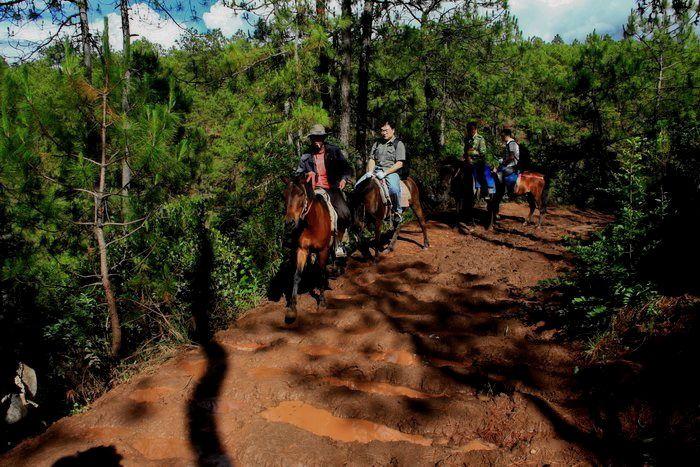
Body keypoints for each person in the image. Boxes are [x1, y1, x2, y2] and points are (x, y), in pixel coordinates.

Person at [294, 124, 352, 257]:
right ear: (311, 139)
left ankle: (340, 243)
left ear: (323, 138)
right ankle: (297, 242)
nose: (317, 141)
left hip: (331, 188)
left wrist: (343, 179)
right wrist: (306, 175)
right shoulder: (306, 156)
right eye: (314, 138)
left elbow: (346, 168)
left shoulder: (334, 151)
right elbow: (297, 175)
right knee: (297, 214)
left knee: (344, 213)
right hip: (312, 191)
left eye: (319, 138)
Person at [366, 120, 406, 224]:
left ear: (393, 130)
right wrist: (370, 172)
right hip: (375, 170)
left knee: (394, 188)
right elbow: (372, 159)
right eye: (382, 131)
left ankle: (397, 212)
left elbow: (399, 163)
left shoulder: (398, 144)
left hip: (391, 171)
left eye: (386, 130)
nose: (384, 133)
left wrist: (385, 173)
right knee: (358, 186)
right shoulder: (377, 143)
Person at [464, 121, 495, 198]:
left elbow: (483, 152)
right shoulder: (467, 139)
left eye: (470, 129)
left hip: (478, 161)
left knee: (481, 174)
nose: (469, 131)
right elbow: (465, 150)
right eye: (468, 129)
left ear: (475, 129)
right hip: (467, 160)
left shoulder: (480, 139)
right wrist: (466, 156)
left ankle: (485, 192)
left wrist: (471, 153)